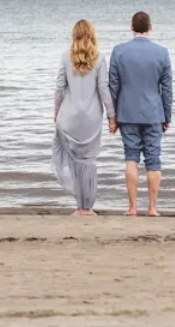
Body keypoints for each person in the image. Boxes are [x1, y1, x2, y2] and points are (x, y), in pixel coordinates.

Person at [108, 11, 173, 217]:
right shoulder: (161, 53)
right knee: (154, 160)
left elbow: (113, 86)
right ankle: (152, 208)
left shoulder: (119, 52)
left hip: (127, 113)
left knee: (131, 158)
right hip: (154, 113)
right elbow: (167, 88)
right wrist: (167, 116)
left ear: (132, 28)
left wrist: (112, 116)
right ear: (150, 27)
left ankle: (132, 207)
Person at [52, 19, 115, 216]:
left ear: (74, 35)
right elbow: (104, 90)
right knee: (89, 162)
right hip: (91, 119)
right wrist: (112, 116)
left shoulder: (65, 57)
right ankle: (87, 208)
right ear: (92, 35)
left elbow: (59, 89)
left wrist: (55, 112)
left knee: (73, 162)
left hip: (68, 118)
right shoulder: (99, 58)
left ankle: (79, 207)